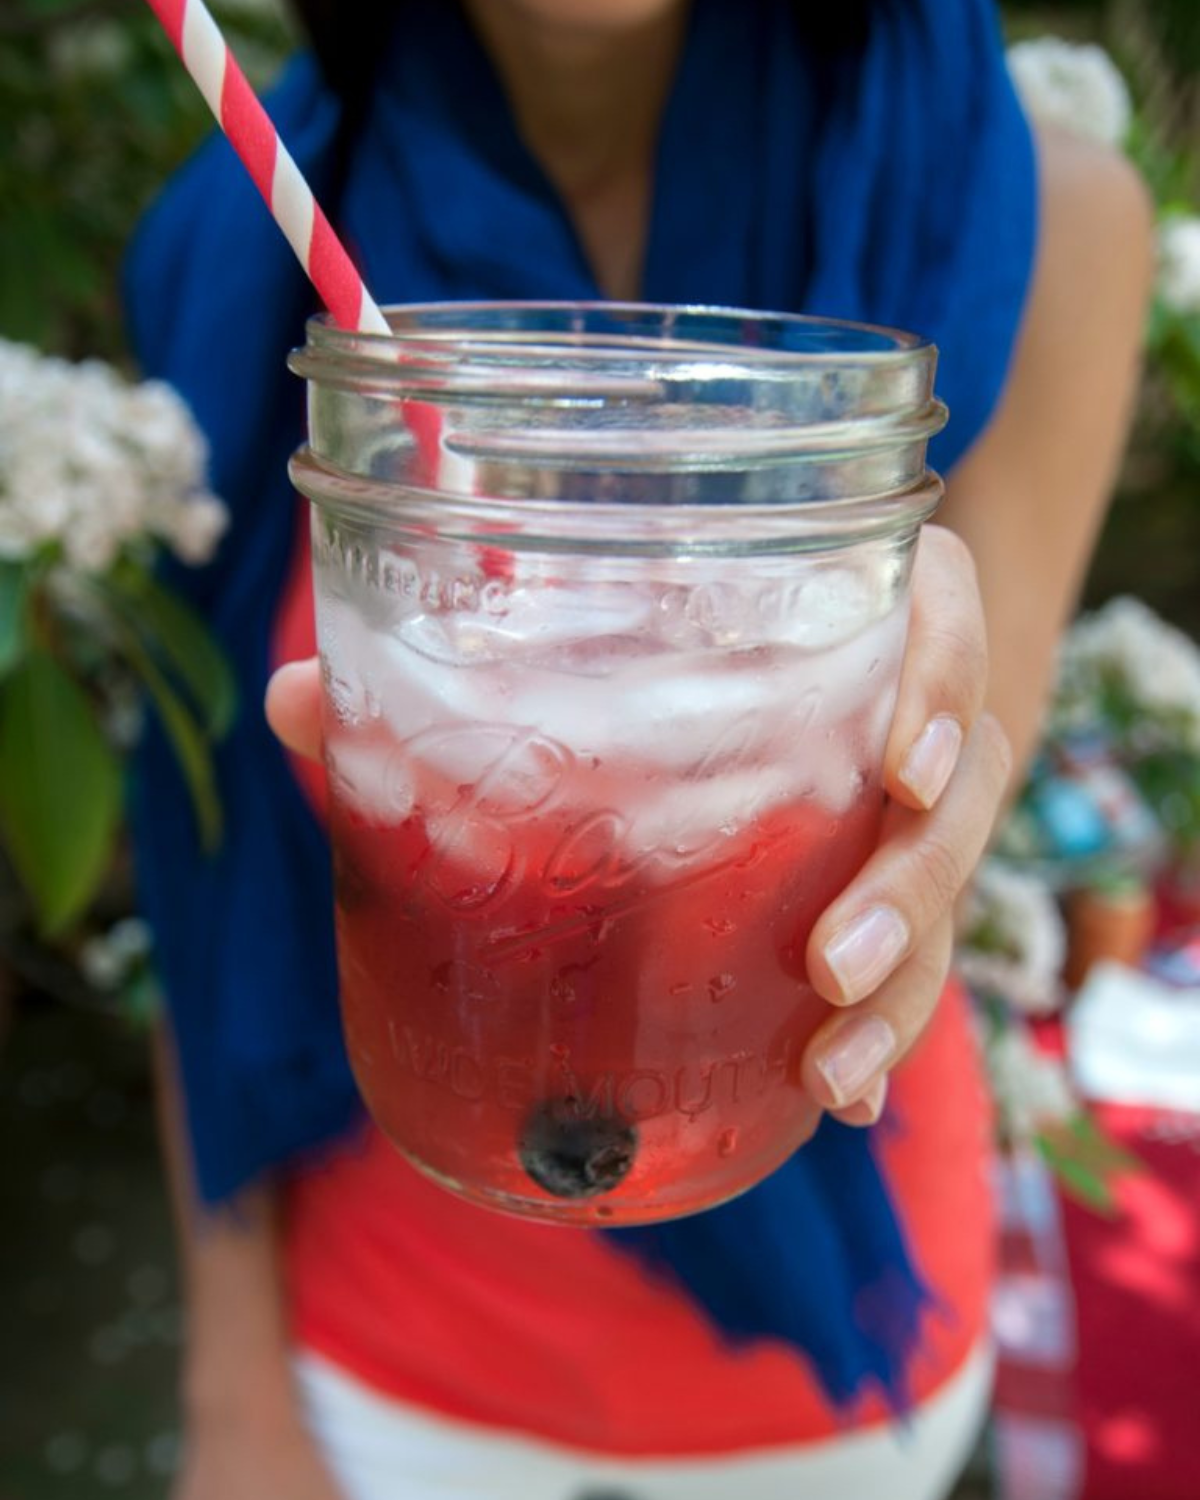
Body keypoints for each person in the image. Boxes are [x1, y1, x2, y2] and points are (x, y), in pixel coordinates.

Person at [125, 1, 1152, 1496]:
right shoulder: (224, 240)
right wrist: (230, 1392)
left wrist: (911, 686)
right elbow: (200, 859)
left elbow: (944, 795)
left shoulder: (1039, 213)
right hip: (374, 1352)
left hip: (814, 1371)